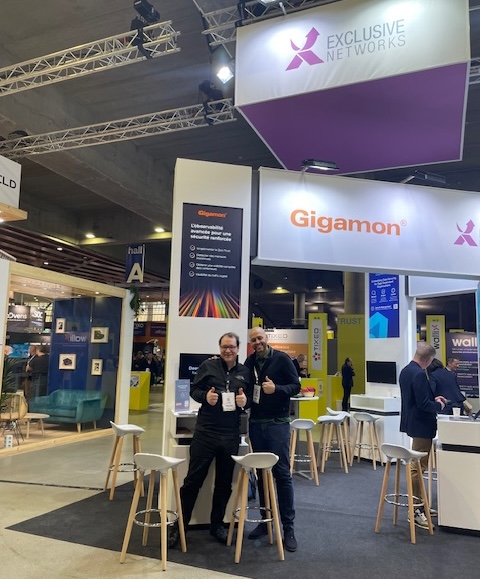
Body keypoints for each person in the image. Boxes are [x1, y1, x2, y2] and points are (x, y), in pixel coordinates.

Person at [180, 332, 250, 544]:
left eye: (231, 347)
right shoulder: (207, 367)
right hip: (206, 432)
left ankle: (217, 525)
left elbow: (250, 401)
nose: (228, 350)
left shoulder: (245, 372)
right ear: (219, 348)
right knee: (193, 481)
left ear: (238, 349)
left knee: (223, 483)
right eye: (224, 347)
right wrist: (205, 397)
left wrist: (244, 401)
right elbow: (193, 390)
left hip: (230, 435)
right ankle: (180, 526)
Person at [244, 327, 301, 553]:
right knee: (261, 473)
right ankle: (266, 521)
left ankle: (288, 528)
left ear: (266, 339)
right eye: (253, 340)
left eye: (259, 338)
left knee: (282, 474)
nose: (257, 342)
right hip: (256, 424)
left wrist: (276, 388)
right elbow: (248, 390)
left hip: (278, 424)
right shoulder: (249, 363)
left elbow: (295, 386)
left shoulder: (282, 359)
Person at [399, 342, 446, 529]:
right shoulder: (419, 374)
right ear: (427, 359)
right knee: (417, 468)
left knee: (418, 466)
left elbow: (416, 398)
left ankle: (420, 505)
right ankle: (417, 509)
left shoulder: (406, 371)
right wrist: (439, 405)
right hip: (422, 426)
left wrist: (431, 399)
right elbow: (423, 405)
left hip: (413, 423)